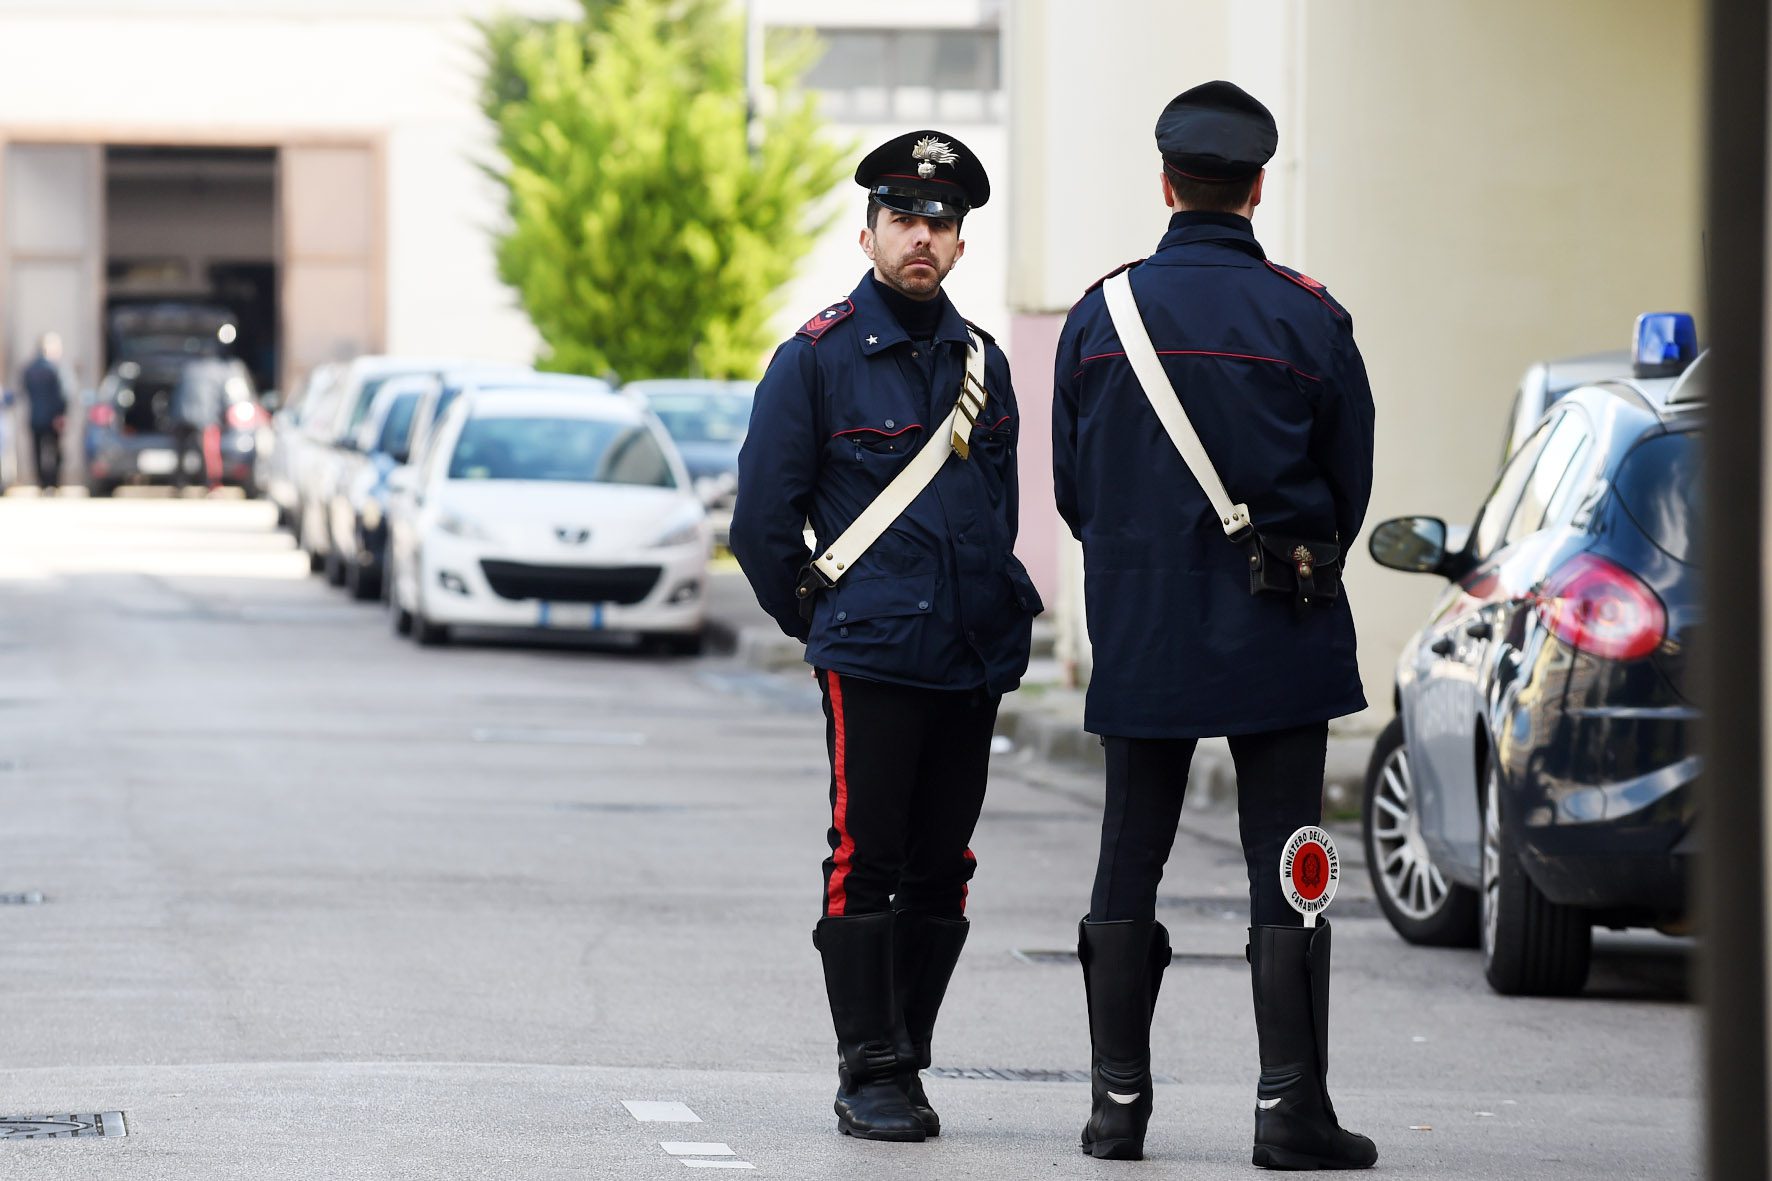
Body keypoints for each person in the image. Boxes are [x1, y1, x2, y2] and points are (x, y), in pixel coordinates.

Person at [1052, 81, 1377, 1169]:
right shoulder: (1307, 314)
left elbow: (1070, 491)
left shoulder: (1103, 314)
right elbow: (1347, 488)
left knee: (1126, 853)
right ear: (1255, 185)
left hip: (1143, 627)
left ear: (1164, 182)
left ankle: (1116, 1108)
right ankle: (1288, 1109)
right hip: (1277, 622)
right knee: (1288, 858)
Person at [731, 129, 1042, 1145]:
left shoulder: (983, 364)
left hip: (969, 655)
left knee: (944, 860)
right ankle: (866, 1067)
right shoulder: (815, 358)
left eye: (941, 220)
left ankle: (906, 1054)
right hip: (869, 656)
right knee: (864, 855)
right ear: (868, 232)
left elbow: (993, 511)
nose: (922, 234)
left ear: (959, 243)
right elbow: (761, 526)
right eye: (903, 216)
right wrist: (823, 622)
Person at [170, 359, 226, 492]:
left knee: (181, 454)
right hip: (204, 418)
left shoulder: (187, 371)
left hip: (182, 416)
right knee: (206, 453)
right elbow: (221, 398)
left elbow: (176, 395)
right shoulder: (218, 373)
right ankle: (209, 485)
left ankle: (179, 484)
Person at [21, 333, 68, 493]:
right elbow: (63, 393)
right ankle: (52, 483)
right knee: (54, 451)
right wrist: (61, 414)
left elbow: (25, 390)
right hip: (53, 417)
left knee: (37, 451)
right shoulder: (56, 368)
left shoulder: (29, 369)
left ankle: (41, 483)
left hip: (35, 416)